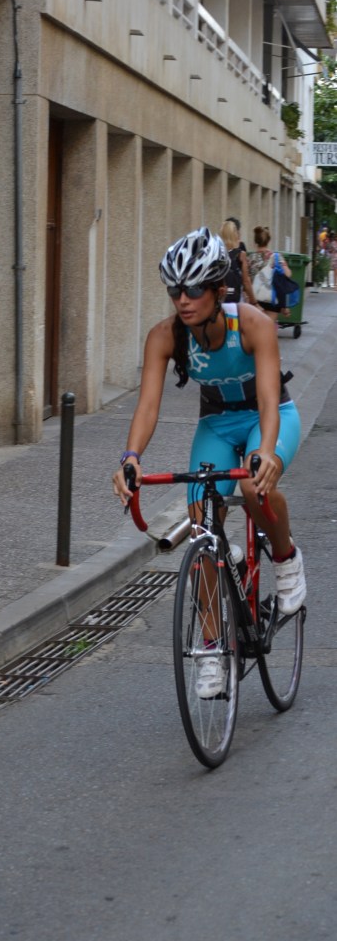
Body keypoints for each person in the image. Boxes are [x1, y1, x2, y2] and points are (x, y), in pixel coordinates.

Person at [112, 227, 306, 698]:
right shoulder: (165, 337)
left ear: (219, 290)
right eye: (175, 290)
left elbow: (265, 399)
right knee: (201, 527)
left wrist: (266, 451)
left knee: (252, 487)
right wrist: (131, 458)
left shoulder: (254, 324)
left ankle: (286, 562)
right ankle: (213, 649)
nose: (183, 299)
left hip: (270, 415)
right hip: (216, 424)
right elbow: (148, 407)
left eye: (194, 289)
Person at [246, 225, 292, 323]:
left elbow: (247, 280)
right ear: (268, 240)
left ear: (255, 241)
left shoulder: (250, 258)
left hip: (255, 299)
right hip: (271, 299)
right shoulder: (276, 257)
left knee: (255, 330)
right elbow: (288, 274)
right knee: (269, 329)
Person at [220, 218, 256, 305]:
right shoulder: (240, 254)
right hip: (235, 300)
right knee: (234, 318)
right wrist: (254, 302)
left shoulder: (217, 254)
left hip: (221, 299)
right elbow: (246, 281)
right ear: (235, 234)